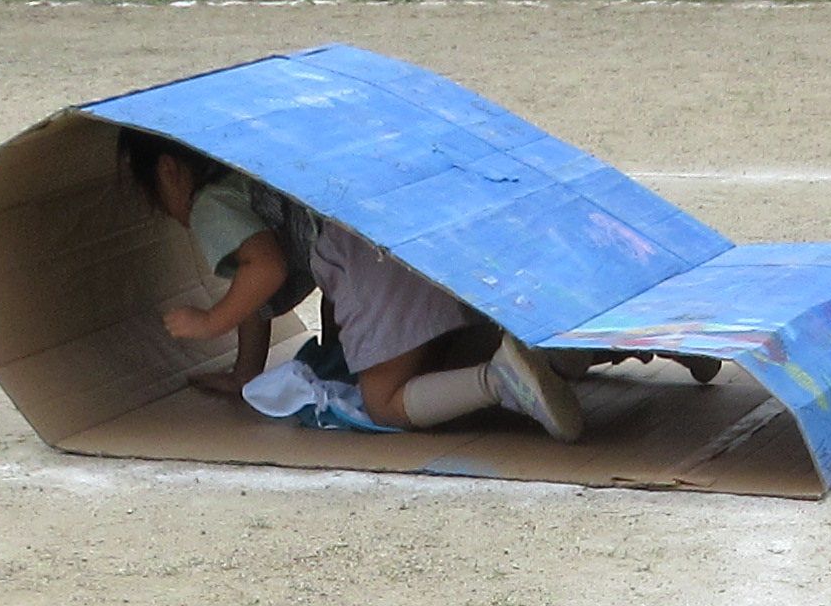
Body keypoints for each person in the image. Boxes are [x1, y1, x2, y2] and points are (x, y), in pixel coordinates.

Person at [118, 128, 585, 438]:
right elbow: (257, 298)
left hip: (366, 257)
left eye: (155, 200)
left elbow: (265, 269)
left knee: (382, 404)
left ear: (168, 171)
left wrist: (208, 322)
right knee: (409, 351)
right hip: (402, 232)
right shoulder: (250, 175)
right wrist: (245, 374)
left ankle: (499, 381)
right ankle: (545, 352)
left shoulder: (208, 203)